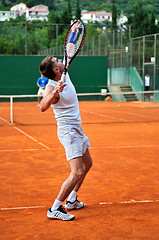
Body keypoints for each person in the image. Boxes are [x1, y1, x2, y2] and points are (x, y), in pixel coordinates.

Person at [39, 22, 92, 221]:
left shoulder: (65, 70)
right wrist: (54, 93)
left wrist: (75, 30)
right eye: (56, 60)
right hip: (68, 132)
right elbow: (43, 106)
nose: (60, 60)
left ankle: (72, 199)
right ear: (55, 70)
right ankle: (55, 208)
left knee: (88, 164)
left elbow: (70, 48)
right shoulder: (52, 85)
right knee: (77, 171)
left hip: (77, 129)